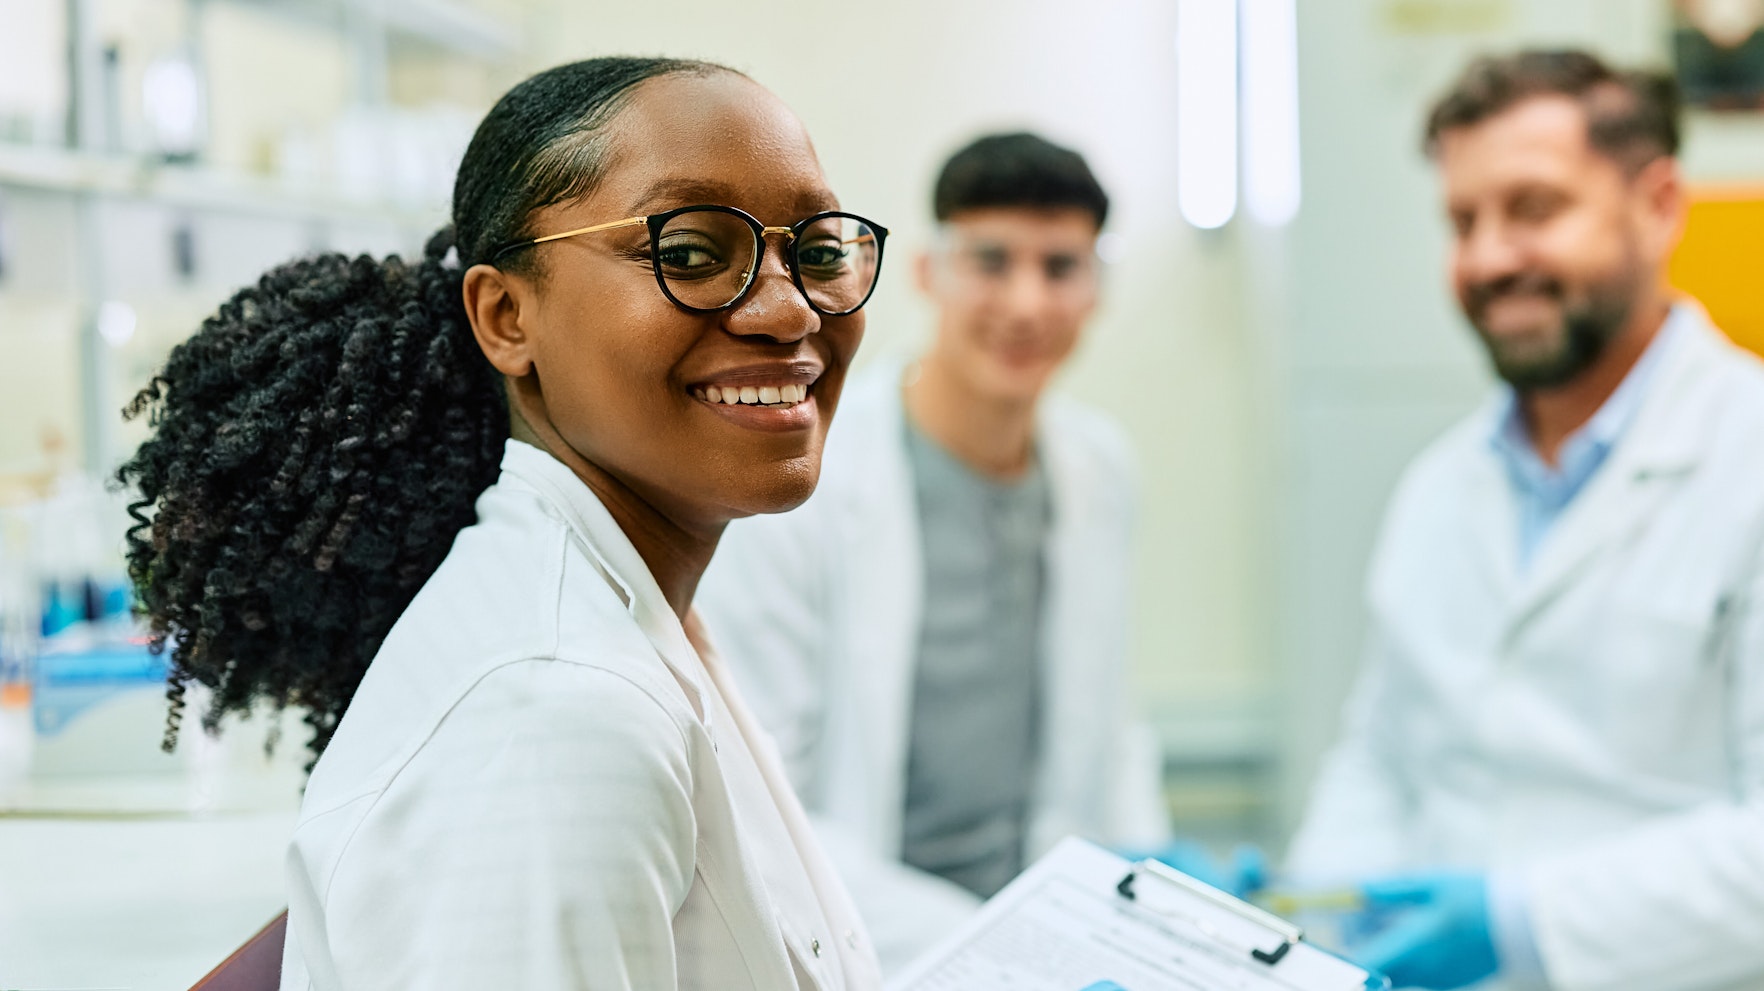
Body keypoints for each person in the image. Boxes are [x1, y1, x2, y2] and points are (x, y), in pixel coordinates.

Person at [116, 57, 890, 990]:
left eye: (815, 253)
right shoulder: (557, 714)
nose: (789, 307)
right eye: (689, 252)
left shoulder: (630, 616)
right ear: (506, 314)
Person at [1287, 50, 1764, 990]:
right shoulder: (1439, 485)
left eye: (1534, 209)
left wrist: (1517, 920)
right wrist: (1306, 913)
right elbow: (1380, 757)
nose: (1489, 258)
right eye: (1463, 221)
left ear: (1659, 207)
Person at [696, 132, 1169, 971]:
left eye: (1060, 267)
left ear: (1096, 287)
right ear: (927, 273)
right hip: (860, 945)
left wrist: (1150, 878)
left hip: (1051, 935)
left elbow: (1106, 724)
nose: (1027, 303)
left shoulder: (1101, 471)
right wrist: (1017, 949)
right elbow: (765, 807)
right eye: (991, 260)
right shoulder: (808, 480)